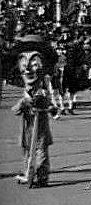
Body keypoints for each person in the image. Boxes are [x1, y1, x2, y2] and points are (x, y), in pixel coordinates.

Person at [14, 52, 56, 188]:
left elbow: (49, 103)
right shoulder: (26, 92)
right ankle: (28, 172)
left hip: (40, 126)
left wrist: (49, 106)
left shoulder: (43, 89)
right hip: (28, 127)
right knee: (27, 150)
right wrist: (23, 103)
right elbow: (16, 110)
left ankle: (42, 176)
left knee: (41, 150)